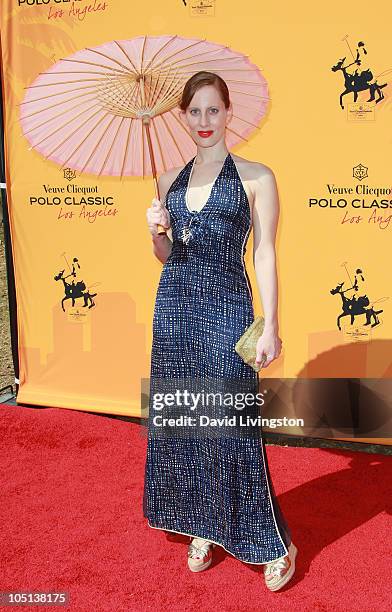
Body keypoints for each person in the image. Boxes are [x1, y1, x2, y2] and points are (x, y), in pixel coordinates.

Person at [143, 71, 297, 591]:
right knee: (186, 421)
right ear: (183, 117)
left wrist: (271, 325)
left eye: (213, 110)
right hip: (176, 314)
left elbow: (266, 253)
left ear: (229, 113)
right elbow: (168, 256)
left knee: (231, 426)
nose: (204, 121)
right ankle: (201, 523)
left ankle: (274, 542)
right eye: (194, 111)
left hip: (228, 308)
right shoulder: (168, 181)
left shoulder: (257, 177)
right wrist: (155, 232)